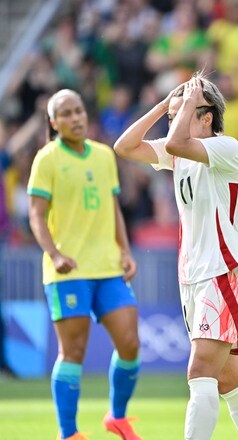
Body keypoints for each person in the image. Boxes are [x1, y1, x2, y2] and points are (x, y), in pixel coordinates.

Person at [114, 75, 238, 440]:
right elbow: (124, 146)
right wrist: (165, 103)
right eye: (174, 115)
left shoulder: (227, 149)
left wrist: (183, 103)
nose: (176, 120)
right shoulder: (179, 152)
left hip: (221, 271)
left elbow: (174, 141)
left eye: (185, 113)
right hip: (192, 276)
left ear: (207, 117)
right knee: (229, 380)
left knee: (199, 370)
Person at [27, 89, 141, 440]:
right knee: (72, 352)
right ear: (53, 122)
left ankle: (117, 418)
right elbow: (36, 215)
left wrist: (125, 250)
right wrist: (55, 255)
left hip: (107, 267)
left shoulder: (105, 156)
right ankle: (69, 432)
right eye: (66, 113)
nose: (75, 118)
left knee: (131, 343)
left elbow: (113, 209)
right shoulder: (47, 160)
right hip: (69, 271)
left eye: (79, 110)